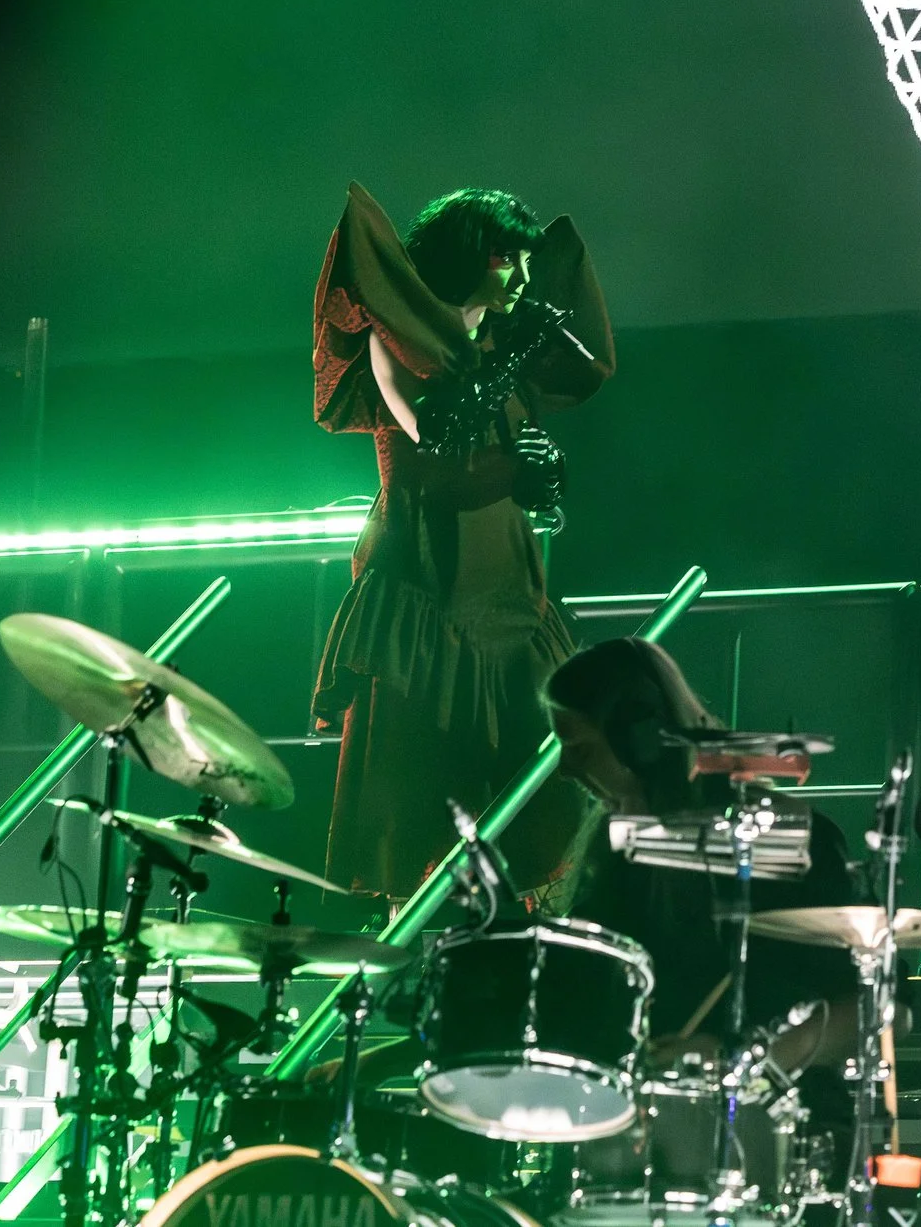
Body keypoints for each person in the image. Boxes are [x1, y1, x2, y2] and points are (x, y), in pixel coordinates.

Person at [309, 180, 614, 900]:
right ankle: (415, 936)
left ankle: (516, 935)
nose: (524, 276)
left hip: (509, 584)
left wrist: (543, 472)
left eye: (527, 260)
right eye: (509, 257)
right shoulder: (395, 344)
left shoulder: (507, 341)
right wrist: (514, 449)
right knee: (422, 790)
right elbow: (436, 438)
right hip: (428, 584)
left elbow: (513, 462)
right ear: (469, 256)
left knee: (535, 787)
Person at [543, 637, 860, 1080]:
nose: (565, 770)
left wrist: (744, 1060)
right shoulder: (615, 858)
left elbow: (878, 1008)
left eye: (580, 749)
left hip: (767, 1108)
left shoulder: (781, 843)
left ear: (641, 741)